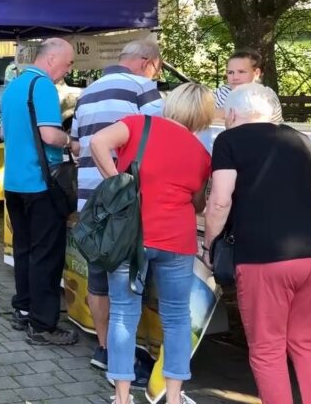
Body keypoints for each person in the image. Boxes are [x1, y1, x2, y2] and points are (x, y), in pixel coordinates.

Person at [204, 83, 311, 404]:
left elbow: (220, 202)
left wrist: (210, 246)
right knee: (310, 345)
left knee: (267, 348)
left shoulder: (228, 140)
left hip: (263, 257)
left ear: (233, 113)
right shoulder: (299, 138)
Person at [90, 83, 215, 404]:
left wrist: (118, 184)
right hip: (178, 241)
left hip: (131, 238)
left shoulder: (136, 125)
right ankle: (173, 397)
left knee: (123, 314)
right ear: (202, 116)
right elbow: (198, 203)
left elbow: (97, 142)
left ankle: (121, 396)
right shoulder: (202, 154)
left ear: (171, 103)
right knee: (176, 318)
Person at [70, 39, 164, 372]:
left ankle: (104, 347)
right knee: (125, 282)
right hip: (125, 200)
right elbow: (160, 135)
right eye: (158, 66)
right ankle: (126, 358)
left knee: (98, 277)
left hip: (90, 199)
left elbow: (77, 141)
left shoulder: (87, 91)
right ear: (146, 61)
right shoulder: (143, 88)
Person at [0, 38, 78, 346]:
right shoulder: (43, 86)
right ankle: (43, 325)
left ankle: (24, 307)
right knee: (46, 254)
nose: (69, 69)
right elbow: (49, 134)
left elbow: (5, 132)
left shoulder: (14, 86)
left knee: (24, 248)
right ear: (51, 59)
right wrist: (71, 142)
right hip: (41, 182)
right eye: (68, 62)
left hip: (14, 182)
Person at [214, 48, 283, 122]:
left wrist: (222, 112)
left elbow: (257, 121)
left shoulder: (266, 95)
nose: (235, 77)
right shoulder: (221, 92)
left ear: (256, 73)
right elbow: (201, 115)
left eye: (241, 72)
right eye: (230, 72)